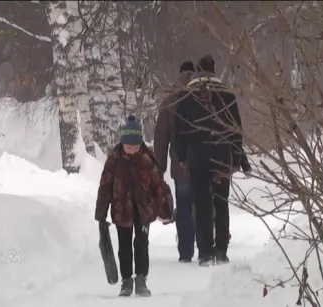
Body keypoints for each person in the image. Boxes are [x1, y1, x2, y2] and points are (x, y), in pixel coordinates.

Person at [174, 55, 248, 266]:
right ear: (214, 71)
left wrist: (182, 156)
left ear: (198, 72)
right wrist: (237, 155)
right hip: (222, 157)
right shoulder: (228, 96)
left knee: (203, 203)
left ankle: (205, 252)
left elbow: (181, 129)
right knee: (221, 203)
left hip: (197, 157)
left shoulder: (187, 98)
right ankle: (222, 250)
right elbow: (237, 131)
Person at [94, 115, 173, 297]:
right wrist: (101, 213)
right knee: (124, 247)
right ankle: (126, 281)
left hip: (144, 210)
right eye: (129, 147)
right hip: (122, 211)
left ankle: (141, 279)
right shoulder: (114, 160)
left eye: (136, 146)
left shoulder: (148, 159)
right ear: (122, 143)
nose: (132, 150)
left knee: (141, 244)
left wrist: (165, 210)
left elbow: (158, 186)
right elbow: (105, 187)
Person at [154, 61, 196, 263]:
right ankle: (206, 246)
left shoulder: (169, 102)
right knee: (204, 203)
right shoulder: (203, 98)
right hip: (203, 162)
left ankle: (186, 251)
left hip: (180, 166)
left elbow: (161, 138)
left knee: (184, 205)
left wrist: (159, 167)